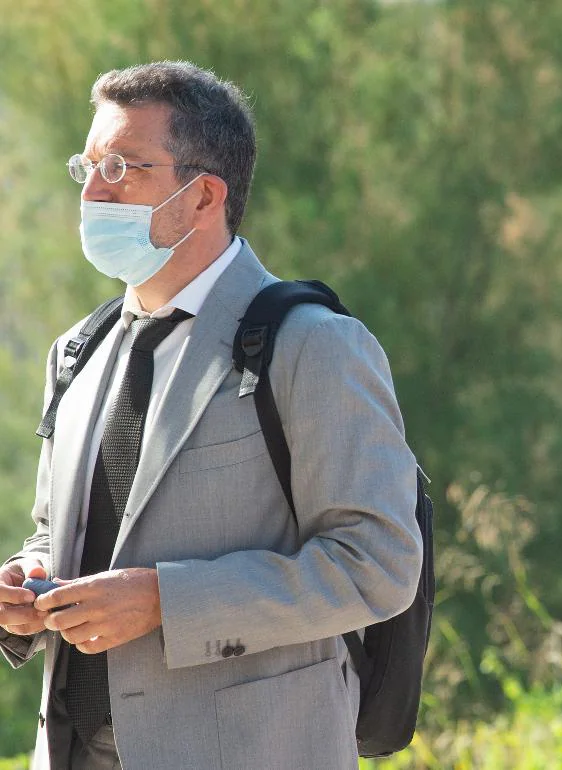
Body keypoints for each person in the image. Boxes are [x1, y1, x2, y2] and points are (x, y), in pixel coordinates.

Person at [0, 62, 422, 770]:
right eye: (88, 167)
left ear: (203, 197)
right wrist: (27, 583)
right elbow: (57, 530)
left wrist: (167, 600)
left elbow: (375, 564)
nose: (93, 192)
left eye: (122, 167)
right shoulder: (77, 351)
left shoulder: (311, 343)